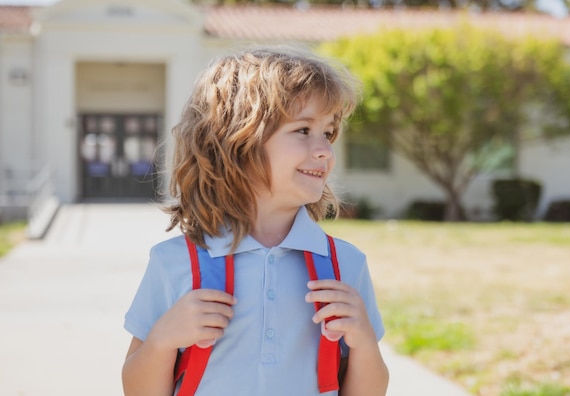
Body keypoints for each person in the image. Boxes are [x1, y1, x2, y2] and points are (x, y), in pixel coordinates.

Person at [121, 46, 388, 396]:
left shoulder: (345, 266)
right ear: (238, 143)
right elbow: (137, 389)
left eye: (328, 133)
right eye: (303, 130)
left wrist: (365, 343)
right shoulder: (174, 263)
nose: (324, 149)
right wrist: (162, 340)